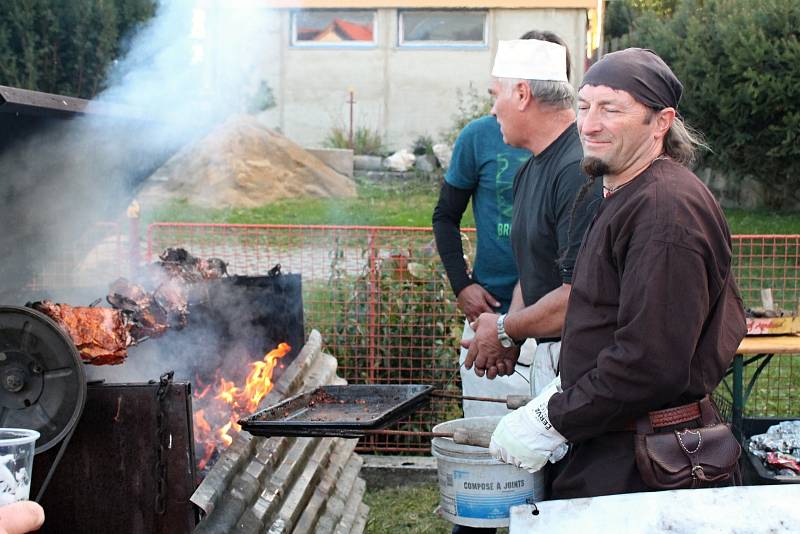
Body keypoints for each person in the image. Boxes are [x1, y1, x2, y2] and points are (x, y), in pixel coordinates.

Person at [487, 47, 748, 498]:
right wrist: (566, 387)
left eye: (611, 109)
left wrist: (553, 420)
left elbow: (650, 363)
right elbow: (611, 320)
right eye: (585, 107)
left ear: (660, 123)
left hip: (644, 464)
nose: (588, 125)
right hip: (613, 442)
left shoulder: (666, 212)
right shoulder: (626, 195)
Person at [463, 36, 600, 396]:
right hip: (548, 355)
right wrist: (511, 334)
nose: (493, 110)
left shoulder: (577, 170)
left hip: (584, 365)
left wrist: (507, 328)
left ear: (522, 94)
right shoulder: (529, 170)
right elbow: (534, 269)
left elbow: (579, 296)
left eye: (496, 94)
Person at [432, 88, 532, 417]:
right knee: (487, 441)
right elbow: (445, 216)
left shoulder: (577, 139)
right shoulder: (479, 136)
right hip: (488, 316)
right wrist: (462, 285)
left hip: (554, 323)